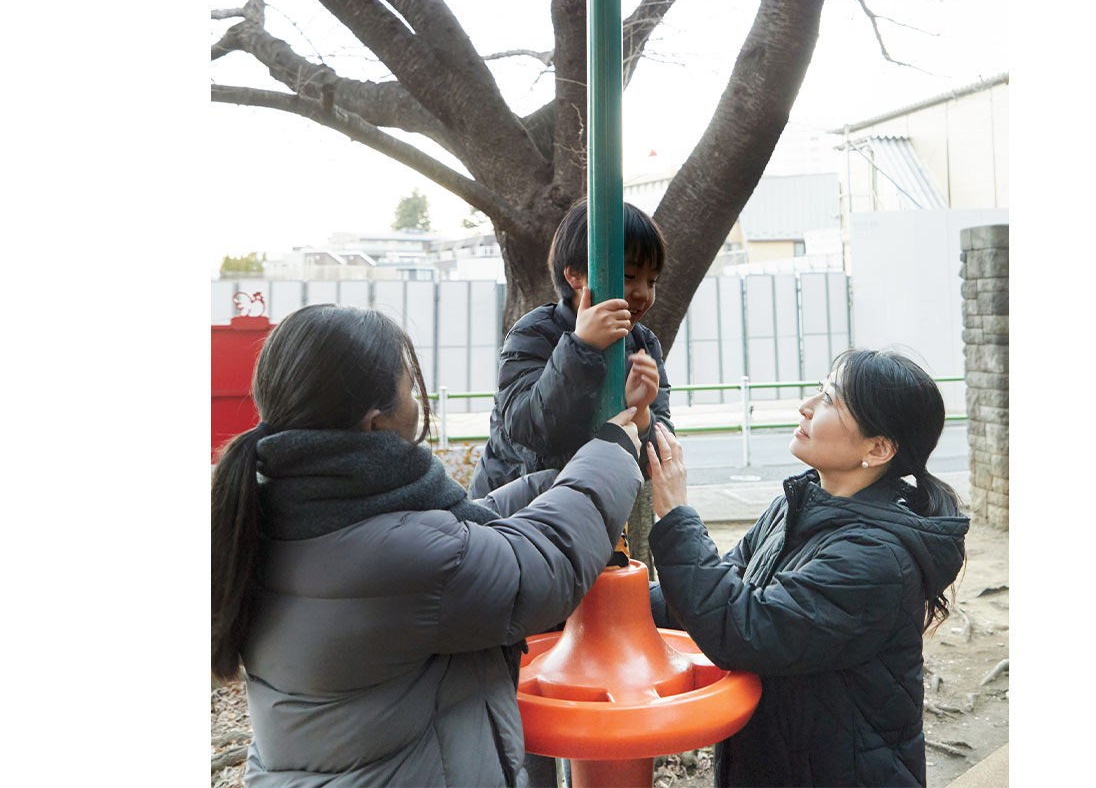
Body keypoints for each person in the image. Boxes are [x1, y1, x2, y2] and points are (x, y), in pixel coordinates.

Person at [211, 303, 643, 788]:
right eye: (408, 390)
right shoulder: (400, 559)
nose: (417, 402)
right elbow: (539, 566)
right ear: (374, 421)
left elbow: (458, 542)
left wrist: (551, 483)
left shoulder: (279, 514)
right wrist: (611, 452)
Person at [645, 348, 968, 788]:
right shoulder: (793, 508)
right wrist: (602, 595)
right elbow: (708, 595)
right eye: (819, 390)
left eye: (831, 399)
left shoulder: (877, 559)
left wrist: (676, 516)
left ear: (877, 448)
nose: (807, 406)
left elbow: (744, 627)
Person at [468, 198, 673, 497]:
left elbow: (657, 458)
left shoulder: (643, 344)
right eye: (629, 276)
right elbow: (532, 429)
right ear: (575, 274)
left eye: (652, 280)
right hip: (516, 515)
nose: (643, 293)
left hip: (589, 516)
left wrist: (640, 414)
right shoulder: (534, 333)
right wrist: (582, 347)